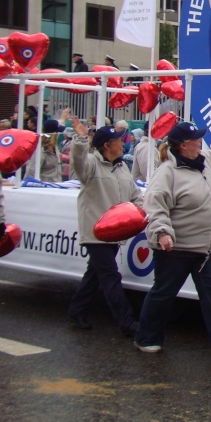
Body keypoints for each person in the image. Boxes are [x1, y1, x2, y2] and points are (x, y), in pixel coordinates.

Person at [134, 112, 211, 359]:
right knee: (164, 293)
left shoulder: (206, 162)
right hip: (178, 247)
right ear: (183, 146)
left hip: (210, 247)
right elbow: (155, 206)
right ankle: (147, 337)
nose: (200, 142)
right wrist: (163, 232)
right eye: (196, 139)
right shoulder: (166, 173)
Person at [66, 118, 143, 335]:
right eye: (118, 140)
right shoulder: (90, 165)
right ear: (107, 146)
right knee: (110, 275)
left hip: (116, 231)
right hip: (95, 232)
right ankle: (126, 321)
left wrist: (144, 211)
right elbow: (78, 161)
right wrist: (81, 139)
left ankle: (77, 309)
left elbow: (134, 195)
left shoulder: (121, 168)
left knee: (95, 274)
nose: (123, 143)